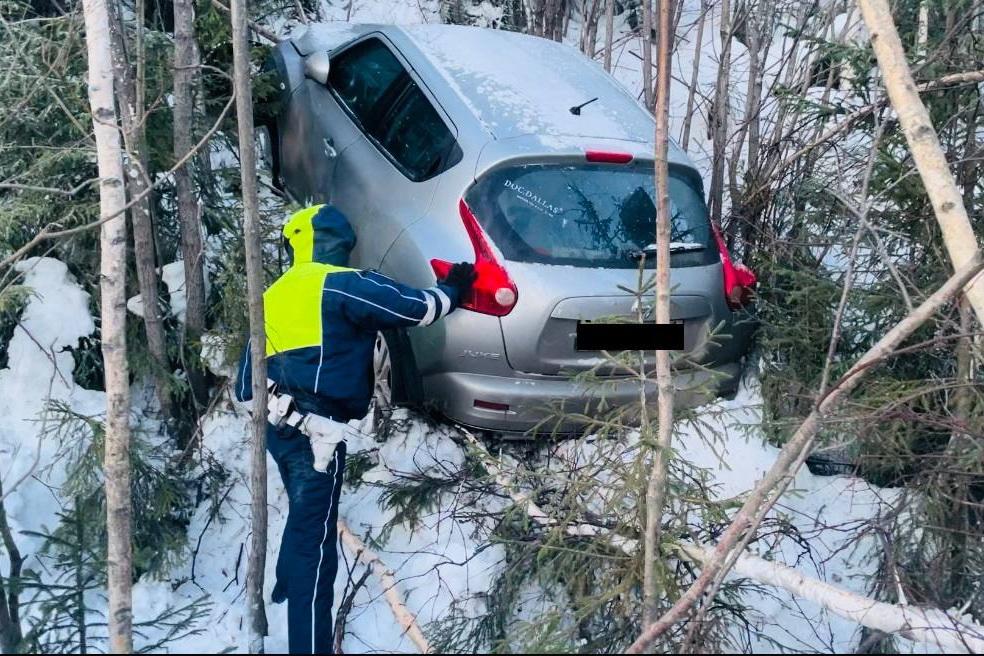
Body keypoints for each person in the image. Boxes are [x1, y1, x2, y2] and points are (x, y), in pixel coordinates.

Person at [235, 204, 476, 654]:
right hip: (318, 437)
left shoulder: (270, 294)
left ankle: (283, 586)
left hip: (277, 430)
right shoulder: (343, 283)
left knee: (304, 518)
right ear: (340, 243)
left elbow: (243, 384)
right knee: (317, 547)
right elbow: (418, 308)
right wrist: (455, 288)